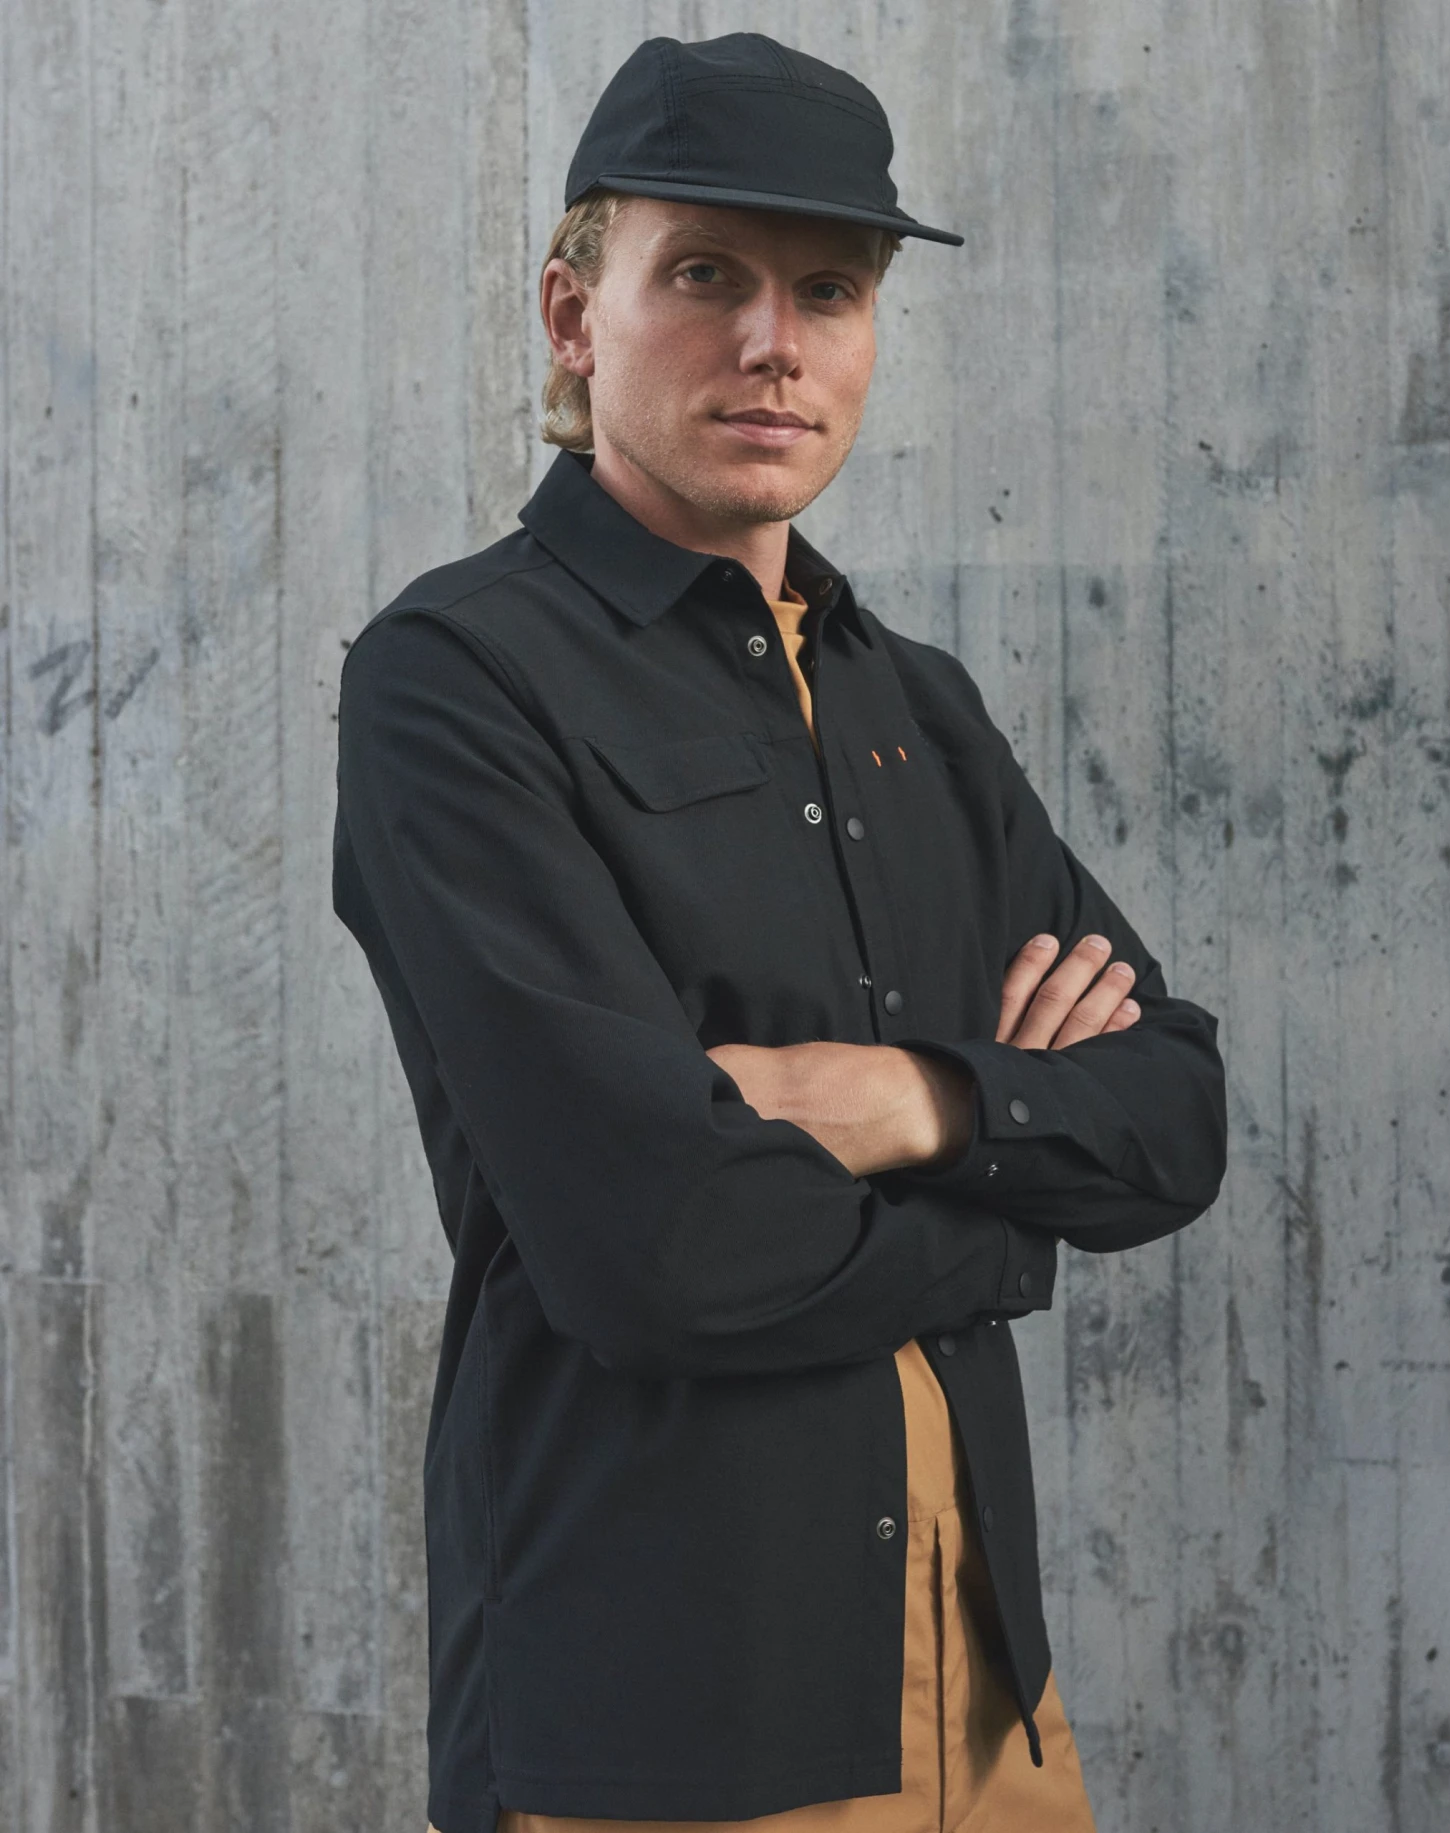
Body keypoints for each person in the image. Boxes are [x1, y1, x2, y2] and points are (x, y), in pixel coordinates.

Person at [332, 31, 1227, 1833]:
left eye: (829, 290)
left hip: (989, 1706)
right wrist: (1016, 1212)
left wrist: (912, 1102)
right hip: (673, 1719)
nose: (775, 342)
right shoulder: (460, 678)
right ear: (574, 315)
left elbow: (1174, 1117)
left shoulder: (917, 702)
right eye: (705, 276)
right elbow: (660, 1243)